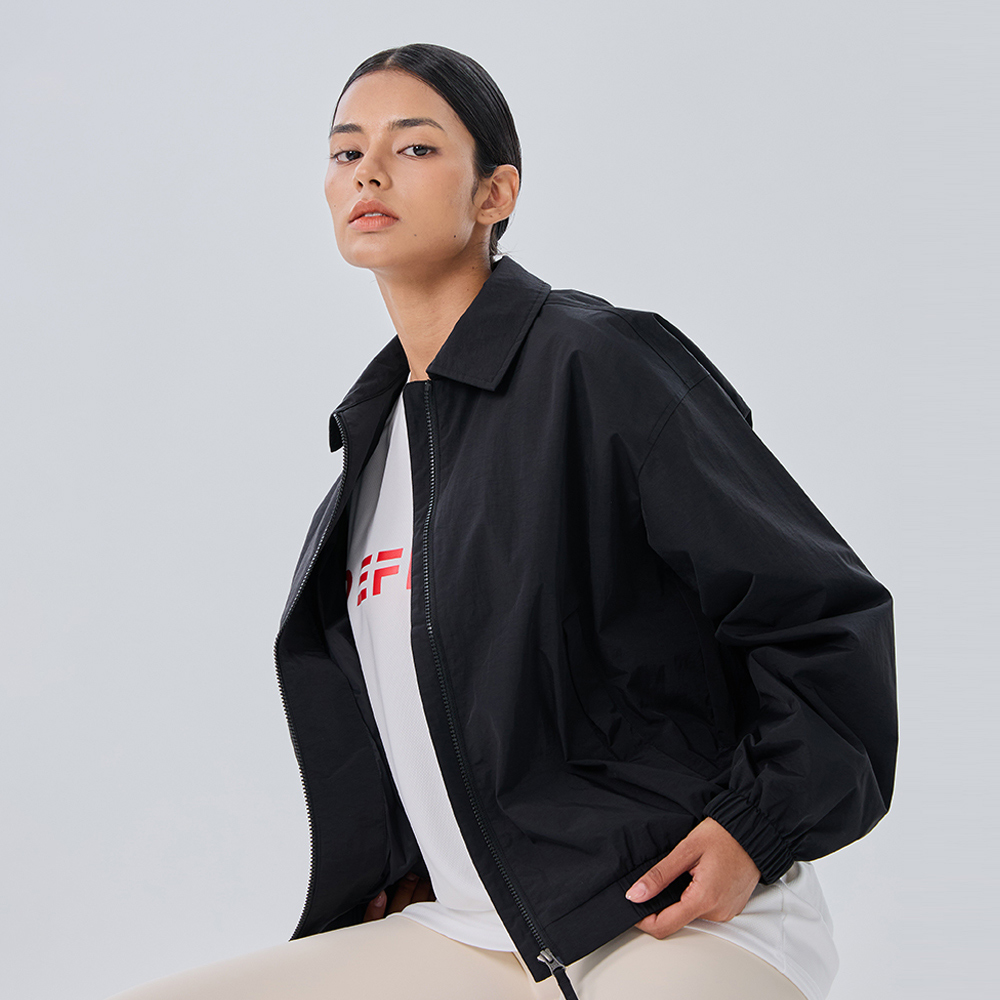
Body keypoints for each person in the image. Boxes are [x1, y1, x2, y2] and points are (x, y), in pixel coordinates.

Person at [107, 42, 897, 1000]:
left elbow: (820, 610)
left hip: (674, 918)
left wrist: (756, 826)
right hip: (476, 933)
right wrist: (405, 863)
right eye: (347, 151)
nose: (368, 171)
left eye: (415, 147)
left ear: (495, 193)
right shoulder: (375, 447)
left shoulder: (597, 364)